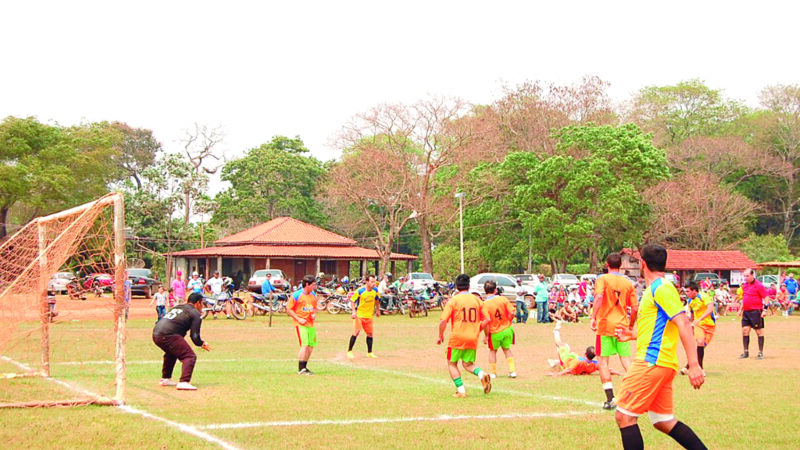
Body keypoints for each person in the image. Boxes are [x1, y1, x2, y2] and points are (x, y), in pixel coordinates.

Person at [613, 244, 707, 450]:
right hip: (661, 364)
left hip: (651, 362)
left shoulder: (661, 289)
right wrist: (631, 335)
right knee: (662, 420)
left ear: (643, 264)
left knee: (624, 416)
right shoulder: (655, 290)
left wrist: (694, 364)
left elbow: (682, 322)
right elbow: (657, 326)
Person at [591, 252, 638, 410]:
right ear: (621, 266)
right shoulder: (628, 283)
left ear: (606, 264)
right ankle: (636, 393)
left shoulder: (602, 279)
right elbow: (635, 308)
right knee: (626, 360)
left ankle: (610, 399)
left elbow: (598, 298)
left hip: (605, 326)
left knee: (603, 361)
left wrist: (593, 316)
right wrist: (630, 326)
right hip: (622, 326)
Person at [437, 274, 492, 398]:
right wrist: (478, 330)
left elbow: (443, 321)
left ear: (456, 286)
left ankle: (461, 391)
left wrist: (440, 335)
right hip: (472, 338)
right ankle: (482, 374)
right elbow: (487, 319)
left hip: (457, 337)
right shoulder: (477, 300)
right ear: (469, 286)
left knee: (452, 363)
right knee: (468, 364)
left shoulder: (453, 301)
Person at [152, 292, 211, 390]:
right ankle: (184, 381)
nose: (202, 306)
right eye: (202, 303)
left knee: (171, 353)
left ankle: (166, 378)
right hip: (168, 334)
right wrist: (202, 343)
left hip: (156, 333)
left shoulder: (177, 307)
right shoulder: (195, 313)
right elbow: (195, 336)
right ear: (198, 303)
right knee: (189, 356)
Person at [548, 321, 622, 377]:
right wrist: (620, 373)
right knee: (571, 352)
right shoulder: (594, 364)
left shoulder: (579, 362)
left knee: (561, 345)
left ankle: (556, 330)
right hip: (574, 358)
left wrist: (556, 374)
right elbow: (608, 370)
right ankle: (554, 362)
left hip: (566, 360)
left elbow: (568, 370)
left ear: (585, 353)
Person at [482, 280, 517, 379]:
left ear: (485, 291)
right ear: (495, 290)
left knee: (493, 351)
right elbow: (512, 312)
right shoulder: (503, 299)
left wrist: (486, 335)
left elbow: (486, 321)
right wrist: (509, 320)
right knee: (507, 350)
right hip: (507, 329)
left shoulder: (485, 304)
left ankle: (493, 372)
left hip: (494, 332)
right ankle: (512, 371)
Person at [287, 275, 320, 375]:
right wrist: (298, 319)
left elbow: (314, 307)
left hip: (310, 324)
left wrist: (314, 313)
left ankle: (305, 367)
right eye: (313, 285)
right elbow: (289, 309)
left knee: (310, 346)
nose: (315, 287)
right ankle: (300, 369)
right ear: (307, 285)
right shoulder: (297, 295)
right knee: (304, 345)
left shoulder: (313, 295)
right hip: (300, 324)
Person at [680, 282, 715, 376]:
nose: (686, 293)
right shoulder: (690, 301)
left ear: (694, 291)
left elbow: (710, 308)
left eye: (688, 291)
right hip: (698, 325)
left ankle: (687, 366)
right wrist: (691, 325)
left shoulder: (704, 296)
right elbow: (691, 315)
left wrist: (699, 318)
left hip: (710, 325)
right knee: (700, 342)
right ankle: (700, 369)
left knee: (700, 348)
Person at [738, 268, 768, 360]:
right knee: (745, 331)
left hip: (755, 311)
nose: (745, 278)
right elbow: (744, 298)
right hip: (746, 312)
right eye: (744, 276)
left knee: (758, 331)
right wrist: (740, 309)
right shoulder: (745, 286)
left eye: (747, 276)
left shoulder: (759, 285)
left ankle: (760, 352)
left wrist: (765, 309)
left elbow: (766, 297)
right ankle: (746, 352)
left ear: (752, 275)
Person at [347, 274, 380, 359]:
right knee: (356, 332)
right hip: (359, 315)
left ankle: (370, 352)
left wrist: (378, 310)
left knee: (370, 334)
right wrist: (353, 312)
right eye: (372, 282)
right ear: (367, 282)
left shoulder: (375, 290)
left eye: (374, 281)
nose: (374, 283)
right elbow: (352, 300)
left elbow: (377, 300)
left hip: (369, 316)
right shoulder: (360, 291)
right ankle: (349, 351)